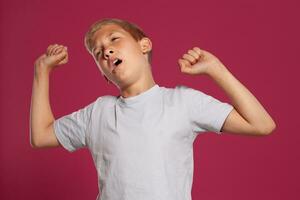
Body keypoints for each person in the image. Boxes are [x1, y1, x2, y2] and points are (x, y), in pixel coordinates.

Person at [30, 18, 276, 200]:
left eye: (114, 39)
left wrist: (216, 69)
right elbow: (41, 136)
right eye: (98, 52)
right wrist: (42, 72)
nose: (106, 50)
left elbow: (262, 124)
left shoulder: (182, 102)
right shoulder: (98, 112)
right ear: (104, 75)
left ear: (144, 45)